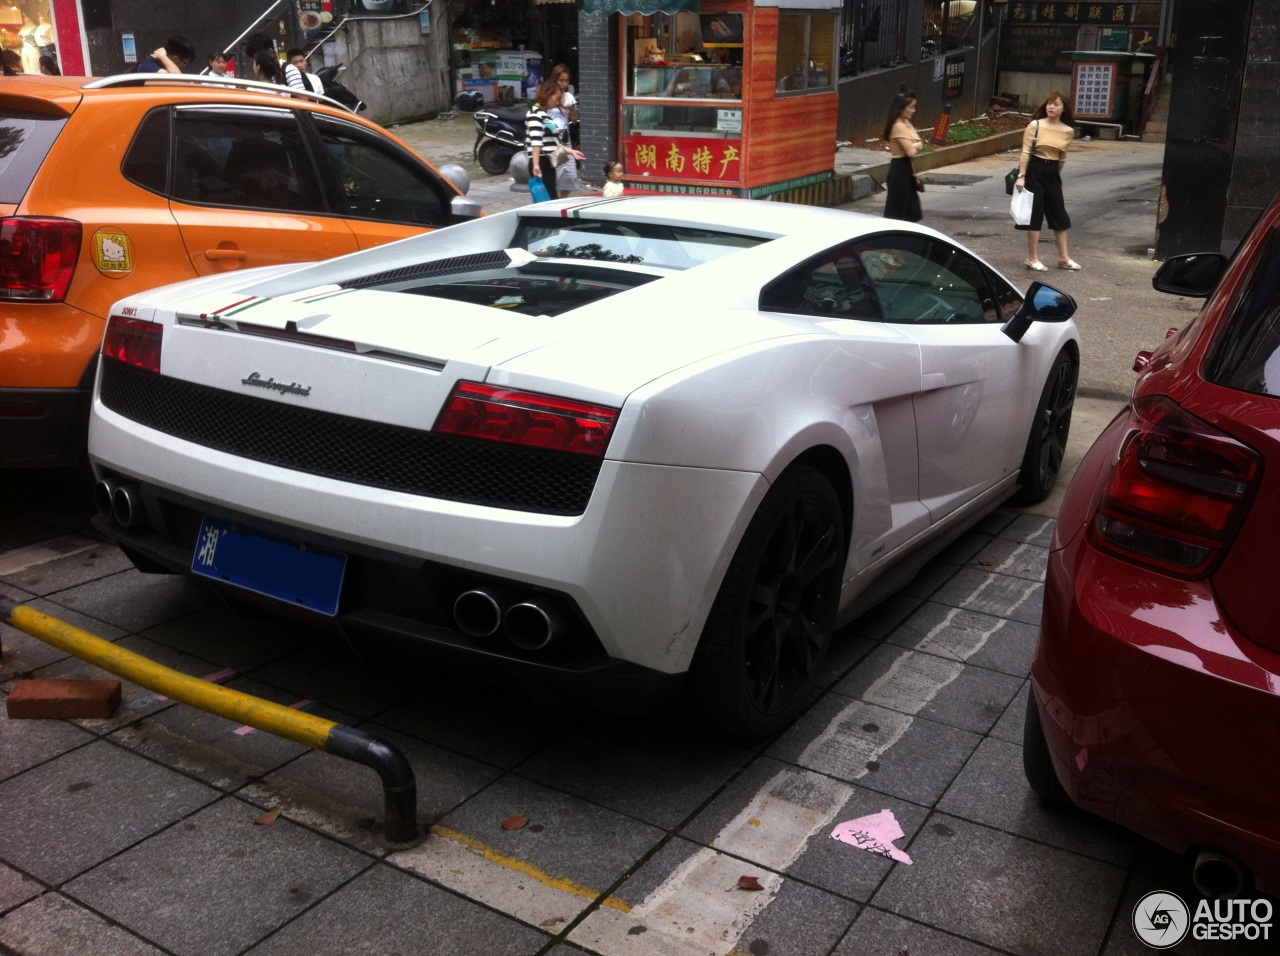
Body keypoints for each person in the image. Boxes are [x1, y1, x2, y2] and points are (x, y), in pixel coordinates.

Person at [1014, 91, 1080, 271]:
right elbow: (1026, 152)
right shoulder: (1035, 125)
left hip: (1052, 171)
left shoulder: (1068, 131)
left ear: (1063, 109)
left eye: (1056, 104)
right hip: (1035, 169)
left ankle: (1063, 257)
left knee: (1059, 212)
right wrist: (1022, 176)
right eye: (1049, 103)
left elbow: (1062, 157)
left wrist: (1055, 175)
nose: (1051, 107)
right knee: (1035, 213)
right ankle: (1032, 257)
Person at [526, 81, 585, 202]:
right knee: (547, 199)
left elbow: (553, 142)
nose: (558, 102)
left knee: (548, 198)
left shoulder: (544, 115)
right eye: (556, 98)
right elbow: (536, 140)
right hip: (542, 160)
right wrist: (536, 164)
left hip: (549, 159)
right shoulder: (535, 114)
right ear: (548, 95)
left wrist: (571, 151)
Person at [882, 90, 923, 223]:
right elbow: (912, 151)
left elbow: (917, 145)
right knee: (897, 213)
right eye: (910, 107)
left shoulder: (907, 123)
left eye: (914, 107)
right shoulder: (898, 126)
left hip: (908, 170)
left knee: (912, 211)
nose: (913, 110)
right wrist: (916, 145)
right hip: (899, 170)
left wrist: (915, 145)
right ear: (901, 108)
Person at [548, 64, 581, 197]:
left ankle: (560, 199)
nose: (564, 84)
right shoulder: (550, 96)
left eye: (566, 81)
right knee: (558, 171)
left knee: (570, 175)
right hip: (554, 137)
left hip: (565, 136)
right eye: (561, 80)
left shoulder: (569, 96)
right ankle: (553, 200)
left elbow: (574, 120)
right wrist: (560, 105)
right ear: (555, 80)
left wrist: (571, 108)